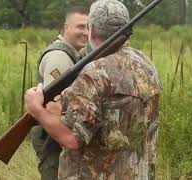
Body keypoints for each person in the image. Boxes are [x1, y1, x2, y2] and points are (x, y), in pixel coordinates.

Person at [25, 0, 162, 179]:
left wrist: (37, 110)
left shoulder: (94, 73)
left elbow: (72, 140)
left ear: (91, 29)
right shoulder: (146, 64)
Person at [30, 6, 89, 180]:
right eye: (80, 26)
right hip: (54, 139)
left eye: (88, 27)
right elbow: (53, 106)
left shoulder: (72, 54)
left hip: (58, 137)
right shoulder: (59, 57)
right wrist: (70, 139)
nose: (85, 32)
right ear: (66, 27)